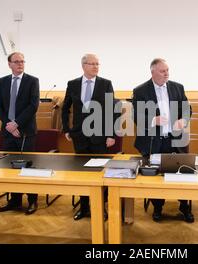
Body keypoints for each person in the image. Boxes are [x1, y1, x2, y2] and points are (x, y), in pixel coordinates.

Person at [132, 58, 194, 223]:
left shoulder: (177, 87)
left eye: (167, 70)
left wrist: (184, 120)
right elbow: (136, 116)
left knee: (183, 173)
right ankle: (158, 207)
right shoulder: (140, 90)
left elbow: (188, 109)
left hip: (175, 140)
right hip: (153, 142)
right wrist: (153, 120)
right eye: (162, 71)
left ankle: (184, 206)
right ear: (152, 72)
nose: (166, 73)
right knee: (155, 177)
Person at [61, 53, 117, 220]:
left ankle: (101, 207)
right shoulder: (73, 84)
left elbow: (112, 110)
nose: (95, 67)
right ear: (83, 66)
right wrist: (67, 129)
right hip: (79, 136)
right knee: (82, 173)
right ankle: (84, 207)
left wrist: (111, 134)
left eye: (97, 64)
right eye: (92, 64)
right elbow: (65, 108)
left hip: (99, 136)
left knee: (99, 172)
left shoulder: (106, 84)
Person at [0, 52, 40, 215]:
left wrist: (16, 124)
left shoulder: (32, 81)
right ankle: (14, 200)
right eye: (17, 61)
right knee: (10, 168)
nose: (20, 64)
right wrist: (9, 125)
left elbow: (33, 106)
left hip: (25, 132)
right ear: (9, 64)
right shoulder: (3, 81)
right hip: (8, 132)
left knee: (28, 167)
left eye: (22, 61)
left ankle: (32, 201)